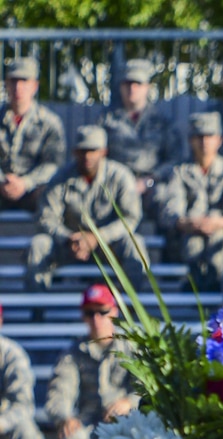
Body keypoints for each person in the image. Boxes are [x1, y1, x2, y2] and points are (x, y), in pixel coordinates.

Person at [40, 284, 135, 439]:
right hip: (88, 422)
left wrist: (129, 402)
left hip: (125, 422)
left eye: (102, 311)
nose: (96, 319)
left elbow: (146, 388)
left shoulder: (131, 348)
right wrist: (65, 417)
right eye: (89, 313)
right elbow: (59, 392)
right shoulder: (72, 354)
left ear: (115, 312)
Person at [26, 126, 143, 291]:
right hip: (70, 246)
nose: (87, 156)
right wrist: (69, 238)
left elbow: (131, 217)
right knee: (39, 244)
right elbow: (46, 217)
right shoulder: (61, 178)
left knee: (135, 244)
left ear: (104, 152)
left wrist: (98, 237)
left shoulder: (121, 176)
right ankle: (36, 310)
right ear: (75, 152)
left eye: (93, 150)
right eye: (82, 151)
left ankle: (132, 310)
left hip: (108, 246)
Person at [157, 112, 223, 293]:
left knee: (219, 235)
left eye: (210, 136)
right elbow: (171, 212)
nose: (204, 142)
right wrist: (191, 223)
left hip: (222, 240)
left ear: (219, 140)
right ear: (191, 140)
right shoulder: (179, 172)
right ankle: (197, 281)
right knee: (194, 239)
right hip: (185, 238)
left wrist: (215, 222)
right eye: (199, 136)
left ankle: (213, 282)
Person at [99, 58, 175, 201]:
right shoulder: (106, 120)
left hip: (152, 187)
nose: (132, 89)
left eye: (137, 84)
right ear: (121, 86)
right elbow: (97, 156)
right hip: (115, 186)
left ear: (147, 87)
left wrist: (151, 179)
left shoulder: (162, 122)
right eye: (127, 83)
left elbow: (175, 159)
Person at [1, 57, 63, 211]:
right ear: (6, 84)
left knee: (53, 192)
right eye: (14, 81)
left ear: (35, 86)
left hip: (33, 190)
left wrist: (25, 183)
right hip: (2, 186)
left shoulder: (49, 122)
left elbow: (53, 164)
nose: (18, 87)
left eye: (24, 81)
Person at [0, 304, 40, 439]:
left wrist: (2, 422)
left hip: (5, 429)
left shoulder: (12, 354)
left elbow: (24, 406)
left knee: (27, 434)